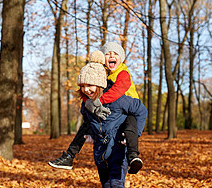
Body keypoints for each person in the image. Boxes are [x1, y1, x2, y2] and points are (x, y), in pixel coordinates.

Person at [75, 50, 147, 188]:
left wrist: (134, 135)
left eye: (90, 86)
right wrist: (89, 133)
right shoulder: (86, 105)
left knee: (116, 186)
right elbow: (87, 120)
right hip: (100, 151)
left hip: (118, 150)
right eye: (82, 86)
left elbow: (141, 110)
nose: (87, 90)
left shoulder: (119, 98)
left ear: (99, 83)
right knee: (105, 186)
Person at [49, 42, 143, 174]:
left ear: (120, 58)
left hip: (129, 109)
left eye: (115, 54)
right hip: (109, 109)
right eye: (107, 53)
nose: (111, 55)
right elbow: (90, 88)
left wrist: (99, 101)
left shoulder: (123, 72)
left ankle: (133, 157)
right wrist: (89, 102)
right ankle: (69, 156)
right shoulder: (102, 72)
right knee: (85, 125)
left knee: (131, 127)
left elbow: (118, 90)